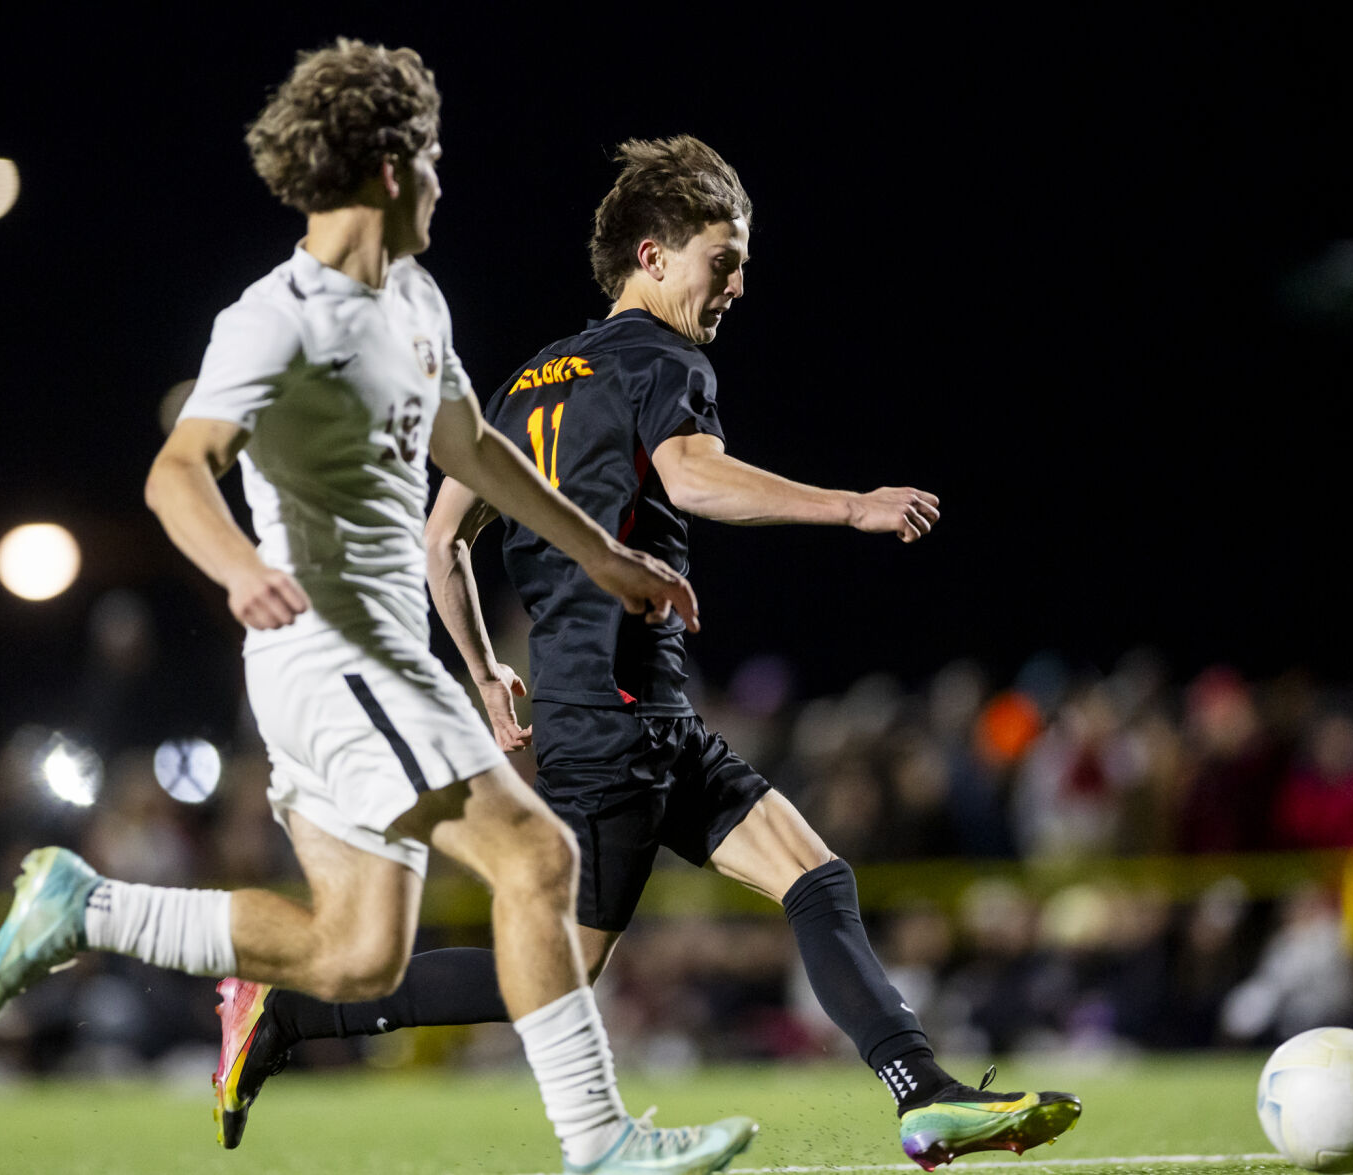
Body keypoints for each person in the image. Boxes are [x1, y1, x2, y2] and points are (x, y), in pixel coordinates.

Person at [214, 135, 1083, 1171]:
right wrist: (849, 505)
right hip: (613, 715)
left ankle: (922, 1093)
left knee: (813, 874)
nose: (737, 284)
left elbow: (440, 541)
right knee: (555, 967)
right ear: (651, 254)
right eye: (724, 259)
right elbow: (692, 477)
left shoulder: (530, 378)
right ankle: (286, 1006)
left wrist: (483, 667)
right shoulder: (663, 363)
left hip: (637, 713)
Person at [0, 45, 757, 1175]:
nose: (442, 177)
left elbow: (473, 450)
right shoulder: (274, 317)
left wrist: (605, 554)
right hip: (334, 651)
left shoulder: (415, 300)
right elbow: (176, 471)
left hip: (366, 660)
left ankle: (83, 904)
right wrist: (239, 565)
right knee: (536, 858)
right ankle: (601, 1140)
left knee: (352, 956)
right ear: (389, 169)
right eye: (429, 156)